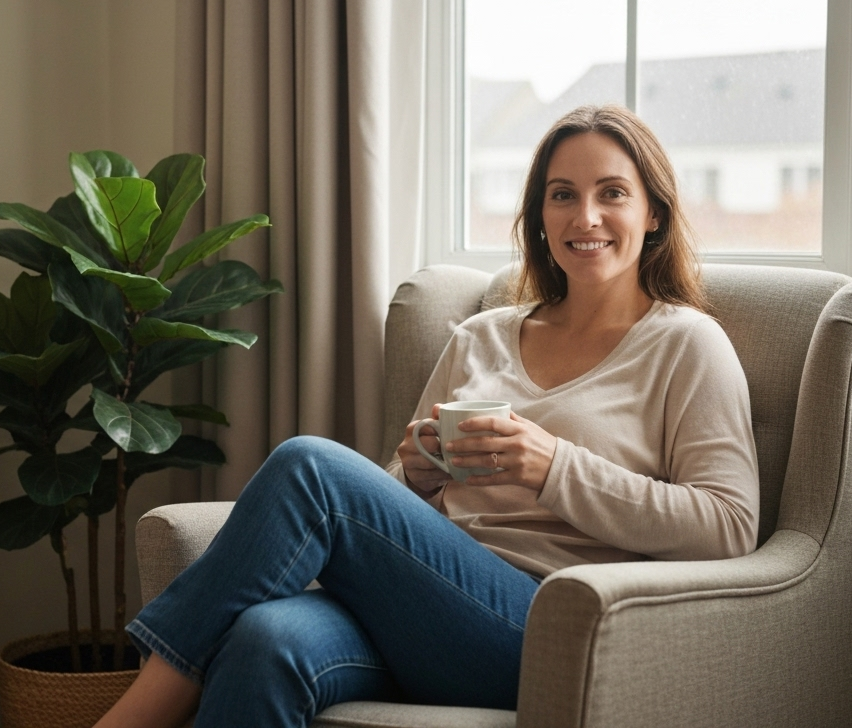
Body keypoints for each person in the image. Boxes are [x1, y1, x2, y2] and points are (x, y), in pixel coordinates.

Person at [94, 104, 760, 728]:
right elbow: (388, 497)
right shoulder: (483, 335)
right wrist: (412, 476)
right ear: (539, 216)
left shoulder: (686, 344)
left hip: (550, 623)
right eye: (562, 195)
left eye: (611, 192)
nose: (585, 216)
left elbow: (729, 527)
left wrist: (552, 465)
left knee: (309, 466)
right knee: (263, 639)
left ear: (652, 214)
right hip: (426, 604)